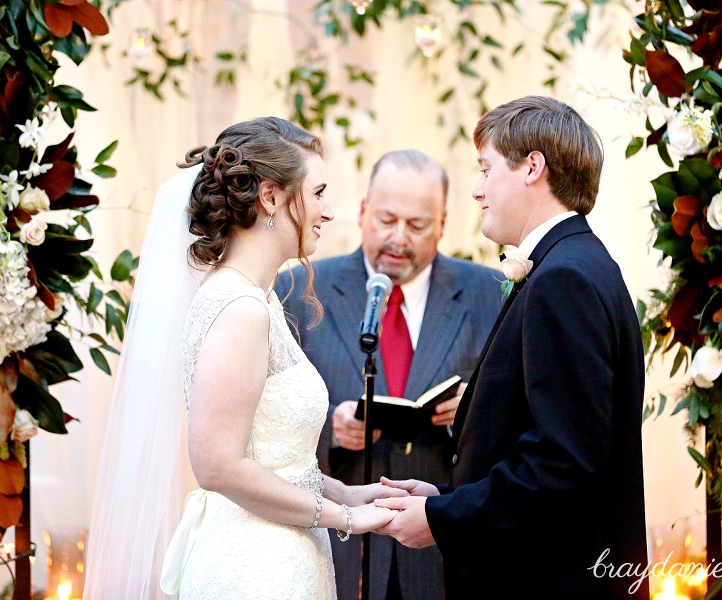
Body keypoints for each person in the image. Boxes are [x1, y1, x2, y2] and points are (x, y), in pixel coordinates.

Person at [84, 117, 402, 600]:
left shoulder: (258, 299)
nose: (329, 211)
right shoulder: (241, 309)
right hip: (255, 570)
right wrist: (345, 518)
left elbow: (274, 459)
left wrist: (346, 492)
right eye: (317, 193)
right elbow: (218, 464)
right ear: (271, 198)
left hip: (280, 553)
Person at [375, 96, 650, 599]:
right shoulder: (576, 265)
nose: (478, 191)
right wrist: (448, 496)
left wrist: (443, 518)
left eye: (485, 169)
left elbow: (563, 463)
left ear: (532, 167)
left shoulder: (563, 279)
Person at [275, 149, 503, 600]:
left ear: (442, 223)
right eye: (385, 219)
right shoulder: (298, 291)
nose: (398, 238)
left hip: (444, 555)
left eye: (417, 225)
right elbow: (267, 418)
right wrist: (332, 430)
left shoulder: (490, 294)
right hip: (337, 551)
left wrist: (472, 416)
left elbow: (517, 421)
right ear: (362, 213)